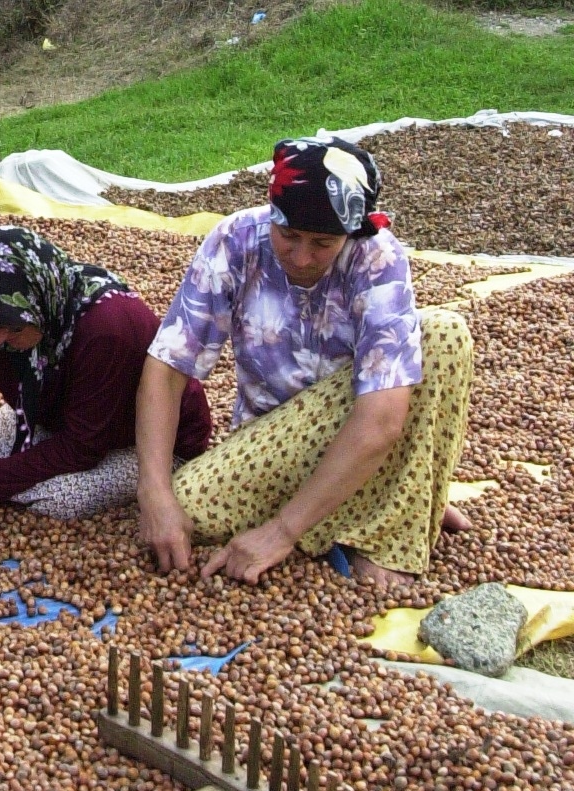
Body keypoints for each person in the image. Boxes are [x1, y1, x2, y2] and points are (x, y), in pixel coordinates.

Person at [135, 135, 474, 589]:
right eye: (288, 235)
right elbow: (167, 368)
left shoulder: (377, 258)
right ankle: (393, 487)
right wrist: (153, 491)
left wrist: (281, 533)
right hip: (270, 438)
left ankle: (388, 529)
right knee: (189, 506)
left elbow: (380, 420)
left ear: (352, 233)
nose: (300, 257)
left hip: (358, 426)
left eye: (322, 243)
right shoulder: (235, 241)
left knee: (443, 336)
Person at [0, 226, 214, 557]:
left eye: (11, 327)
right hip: (58, 420)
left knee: (59, 499)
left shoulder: (107, 329)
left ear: (40, 302)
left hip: (141, 441)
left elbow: (83, 447)